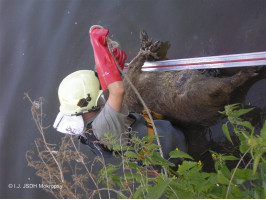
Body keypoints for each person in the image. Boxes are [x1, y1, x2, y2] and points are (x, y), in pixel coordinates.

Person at [53, 25, 187, 163]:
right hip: (170, 149)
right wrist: (98, 47)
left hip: (153, 133)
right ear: (88, 103)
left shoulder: (86, 119)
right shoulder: (102, 128)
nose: (101, 86)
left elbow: (106, 93)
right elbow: (117, 91)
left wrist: (112, 65)